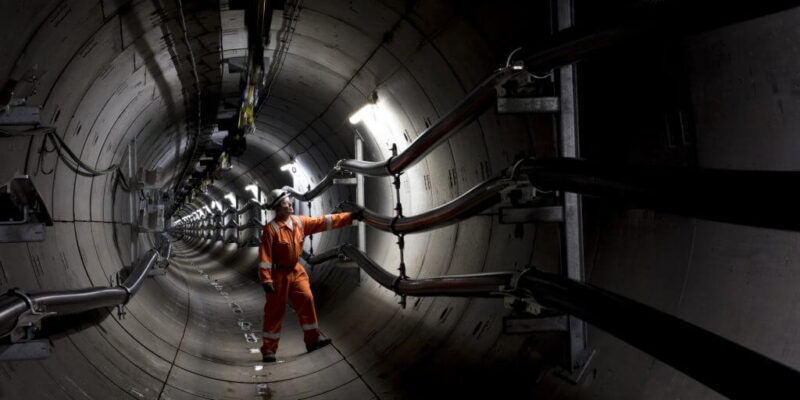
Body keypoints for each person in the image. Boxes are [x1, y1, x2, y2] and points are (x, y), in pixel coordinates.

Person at [258, 189, 364, 362]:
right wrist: (266, 279)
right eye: (286, 202)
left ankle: (312, 340)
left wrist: (350, 217)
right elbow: (265, 257)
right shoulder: (271, 230)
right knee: (275, 311)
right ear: (278, 208)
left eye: (289, 201)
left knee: (306, 299)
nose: (290, 204)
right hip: (279, 274)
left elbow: (323, 222)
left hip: (296, 270)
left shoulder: (299, 222)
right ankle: (268, 350)